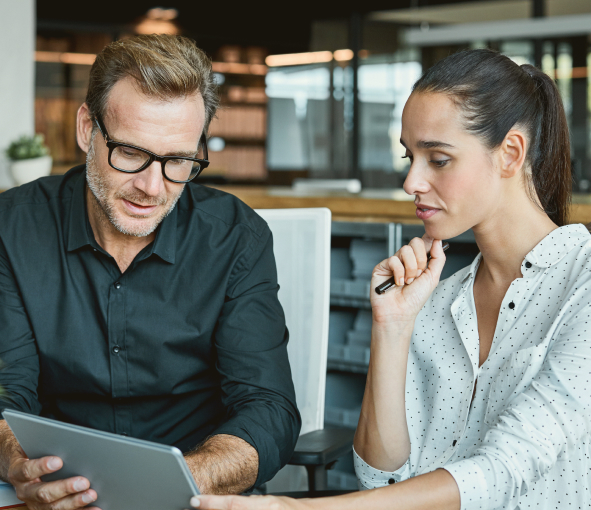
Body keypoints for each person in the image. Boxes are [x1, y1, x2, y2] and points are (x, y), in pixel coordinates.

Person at [192, 49, 591, 510]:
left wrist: (296, 508)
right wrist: (392, 328)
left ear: (510, 153)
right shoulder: (439, 300)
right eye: (410, 156)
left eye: (437, 159)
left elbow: (504, 469)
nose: (411, 182)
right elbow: (380, 480)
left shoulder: (581, 286)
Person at [0, 34, 300, 509]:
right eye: (131, 153)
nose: (151, 187)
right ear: (86, 128)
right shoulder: (11, 228)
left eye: (178, 160)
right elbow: (5, 392)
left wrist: (178, 482)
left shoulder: (236, 237)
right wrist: (19, 464)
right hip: (57, 496)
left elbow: (268, 411)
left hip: (195, 495)